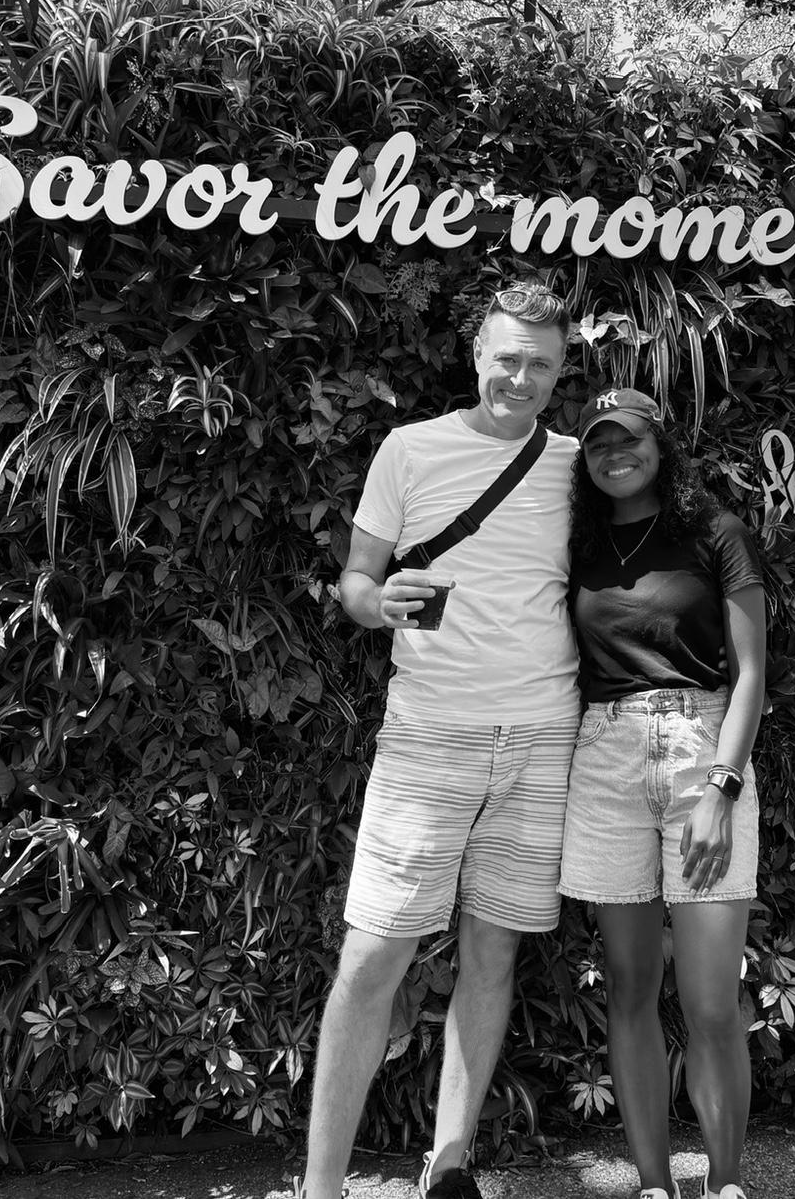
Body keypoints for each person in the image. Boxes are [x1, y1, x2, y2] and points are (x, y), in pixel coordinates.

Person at [301, 283, 581, 1199]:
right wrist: (375, 602)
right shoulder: (409, 448)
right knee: (374, 954)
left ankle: (449, 1166)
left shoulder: (576, 464)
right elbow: (355, 577)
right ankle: (321, 1188)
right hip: (430, 735)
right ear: (477, 356)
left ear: (560, 372)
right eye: (508, 358)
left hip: (544, 738)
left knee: (493, 953)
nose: (521, 378)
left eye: (541, 364)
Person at [558, 387, 768, 1199]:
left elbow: (751, 674)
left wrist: (722, 787)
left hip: (701, 752)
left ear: (661, 444)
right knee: (629, 989)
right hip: (605, 760)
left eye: (629, 439)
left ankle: (725, 1184)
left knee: (712, 1003)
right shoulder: (579, 544)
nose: (615, 455)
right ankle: (653, 1184)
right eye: (599, 443)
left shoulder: (716, 533)